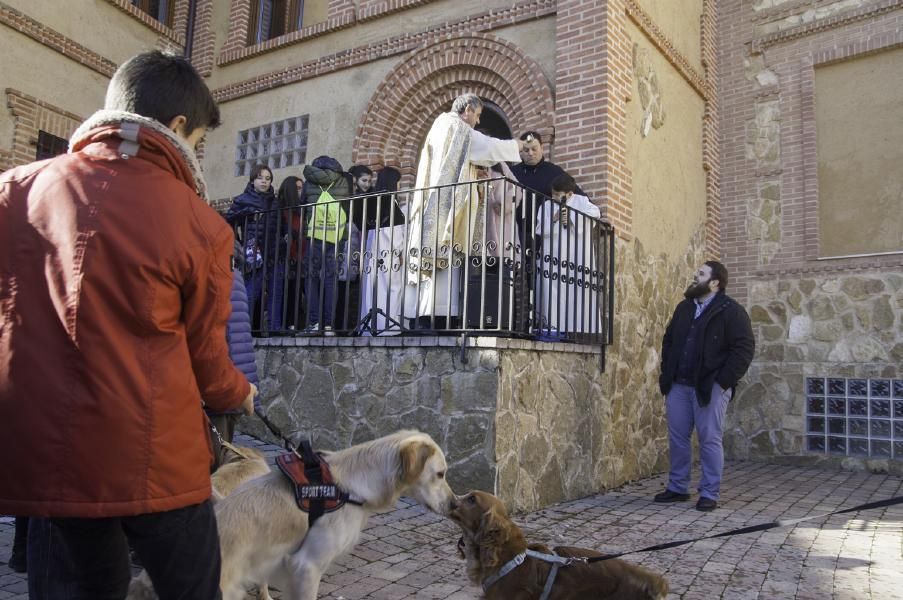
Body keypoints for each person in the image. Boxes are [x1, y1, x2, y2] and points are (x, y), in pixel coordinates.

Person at [0, 50, 256, 598]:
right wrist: (241, 391)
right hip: (156, 459)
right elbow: (208, 362)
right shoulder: (200, 223)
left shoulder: (14, 193)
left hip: (53, 458)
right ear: (179, 127)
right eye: (200, 141)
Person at [405, 93, 523, 328]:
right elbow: (484, 147)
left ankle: (427, 317)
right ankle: (441, 319)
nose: (477, 121)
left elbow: (457, 163)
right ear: (468, 108)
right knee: (447, 261)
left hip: (435, 200)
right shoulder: (457, 127)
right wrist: (515, 146)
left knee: (440, 263)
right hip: (448, 206)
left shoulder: (438, 125)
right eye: (478, 115)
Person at [655, 261, 755, 511]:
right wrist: (667, 373)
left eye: (700, 274)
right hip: (678, 385)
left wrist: (723, 382)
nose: (694, 276)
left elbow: (744, 349)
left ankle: (710, 492)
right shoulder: (684, 308)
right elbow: (669, 340)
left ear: (714, 282)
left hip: (710, 386)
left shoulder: (731, 311)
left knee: (709, 439)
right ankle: (678, 488)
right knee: (678, 438)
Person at [207, 240, 262, 468]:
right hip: (236, 381)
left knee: (212, 465)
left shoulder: (217, 275)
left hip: (223, 385)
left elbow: (220, 335)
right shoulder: (234, 274)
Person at [534, 174, 602, 337]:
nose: (554, 197)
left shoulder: (581, 201)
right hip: (554, 257)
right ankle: (554, 330)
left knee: (577, 293)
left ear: (570, 194)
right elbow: (539, 229)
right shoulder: (547, 206)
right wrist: (555, 220)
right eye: (553, 194)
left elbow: (595, 213)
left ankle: (579, 331)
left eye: (558, 195)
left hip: (576, 257)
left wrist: (571, 217)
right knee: (553, 292)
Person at [226, 164, 286, 332]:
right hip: (255, 253)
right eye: (260, 178)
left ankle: (275, 328)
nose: (264, 182)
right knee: (252, 292)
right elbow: (227, 221)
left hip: (275, 251)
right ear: (253, 180)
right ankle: (242, 329)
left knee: (276, 291)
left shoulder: (276, 202)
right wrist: (246, 214)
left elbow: (282, 224)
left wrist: (284, 238)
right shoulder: (243, 199)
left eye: (267, 179)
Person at [302, 155, 352, 334]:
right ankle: (329, 324)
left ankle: (314, 322)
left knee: (311, 278)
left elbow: (303, 206)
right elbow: (347, 207)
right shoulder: (344, 180)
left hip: (314, 234)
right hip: (336, 235)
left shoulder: (309, 182)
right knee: (331, 279)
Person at [277, 175, 305, 330]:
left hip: (301, 256)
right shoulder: (282, 209)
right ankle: (286, 324)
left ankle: (293, 324)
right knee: (287, 292)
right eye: (298, 188)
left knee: (297, 292)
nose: (301, 192)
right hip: (287, 256)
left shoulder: (301, 210)